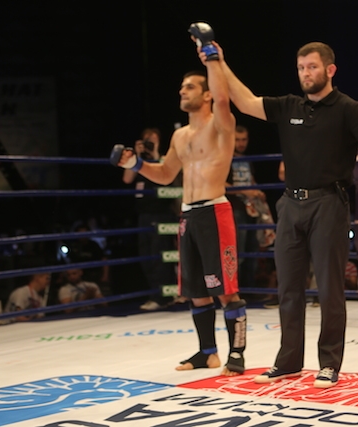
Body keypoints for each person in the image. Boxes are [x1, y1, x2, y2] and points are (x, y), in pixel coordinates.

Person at [214, 40, 358, 388]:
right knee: (288, 288)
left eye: (312, 67)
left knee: (329, 288)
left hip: (329, 203)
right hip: (290, 203)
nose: (305, 73)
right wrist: (219, 62)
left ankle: (329, 363)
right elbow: (245, 101)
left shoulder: (348, 108)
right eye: (300, 68)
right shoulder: (289, 106)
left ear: (330, 69)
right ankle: (288, 360)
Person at [110, 22, 246, 376]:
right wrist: (135, 164)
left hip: (215, 211)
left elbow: (223, 97)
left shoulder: (220, 124)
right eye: (181, 87)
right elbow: (166, 174)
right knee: (196, 290)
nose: (181, 91)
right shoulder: (180, 136)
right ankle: (207, 352)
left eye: (190, 87)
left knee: (226, 290)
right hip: (188, 215)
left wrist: (210, 55)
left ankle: (237, 354)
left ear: (205, 95)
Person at [123, 128, 179, 311]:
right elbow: (127, 179)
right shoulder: (138, 163)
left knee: (160, 256)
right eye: (146, 140)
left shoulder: (164, 160)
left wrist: (154, 155)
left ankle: (163, 297)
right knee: (146, 256)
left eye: (152, 140)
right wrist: (136, 156)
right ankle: (157, 294)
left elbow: (168, 178)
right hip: (143, 215)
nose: (149, 143)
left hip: (161, 213)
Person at [226, 125, 276, 292]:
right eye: (237, 140)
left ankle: (250, 290)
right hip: (235, 208)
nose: (241, 143)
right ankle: (237, 291)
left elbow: (250, 179)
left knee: (252, 249)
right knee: (238, 251)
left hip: (251, 208)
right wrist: (246, 191)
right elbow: (221, 184)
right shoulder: (225, 157)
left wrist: (257, 191)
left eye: (244, 139)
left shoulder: (246, 159)